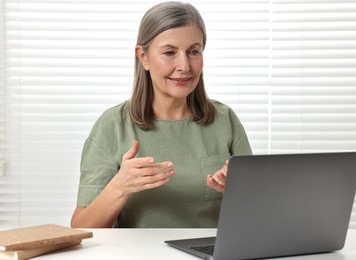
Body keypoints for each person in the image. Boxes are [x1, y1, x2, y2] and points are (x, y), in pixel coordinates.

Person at [71, 1, 252, 228]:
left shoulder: (225, 120)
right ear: (143, 57)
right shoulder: (113, 125)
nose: (184, 66)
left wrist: (239, 193)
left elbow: (257, 215)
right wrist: (120, 187)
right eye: (169, 52)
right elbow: (81, 227)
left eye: (194, 51)